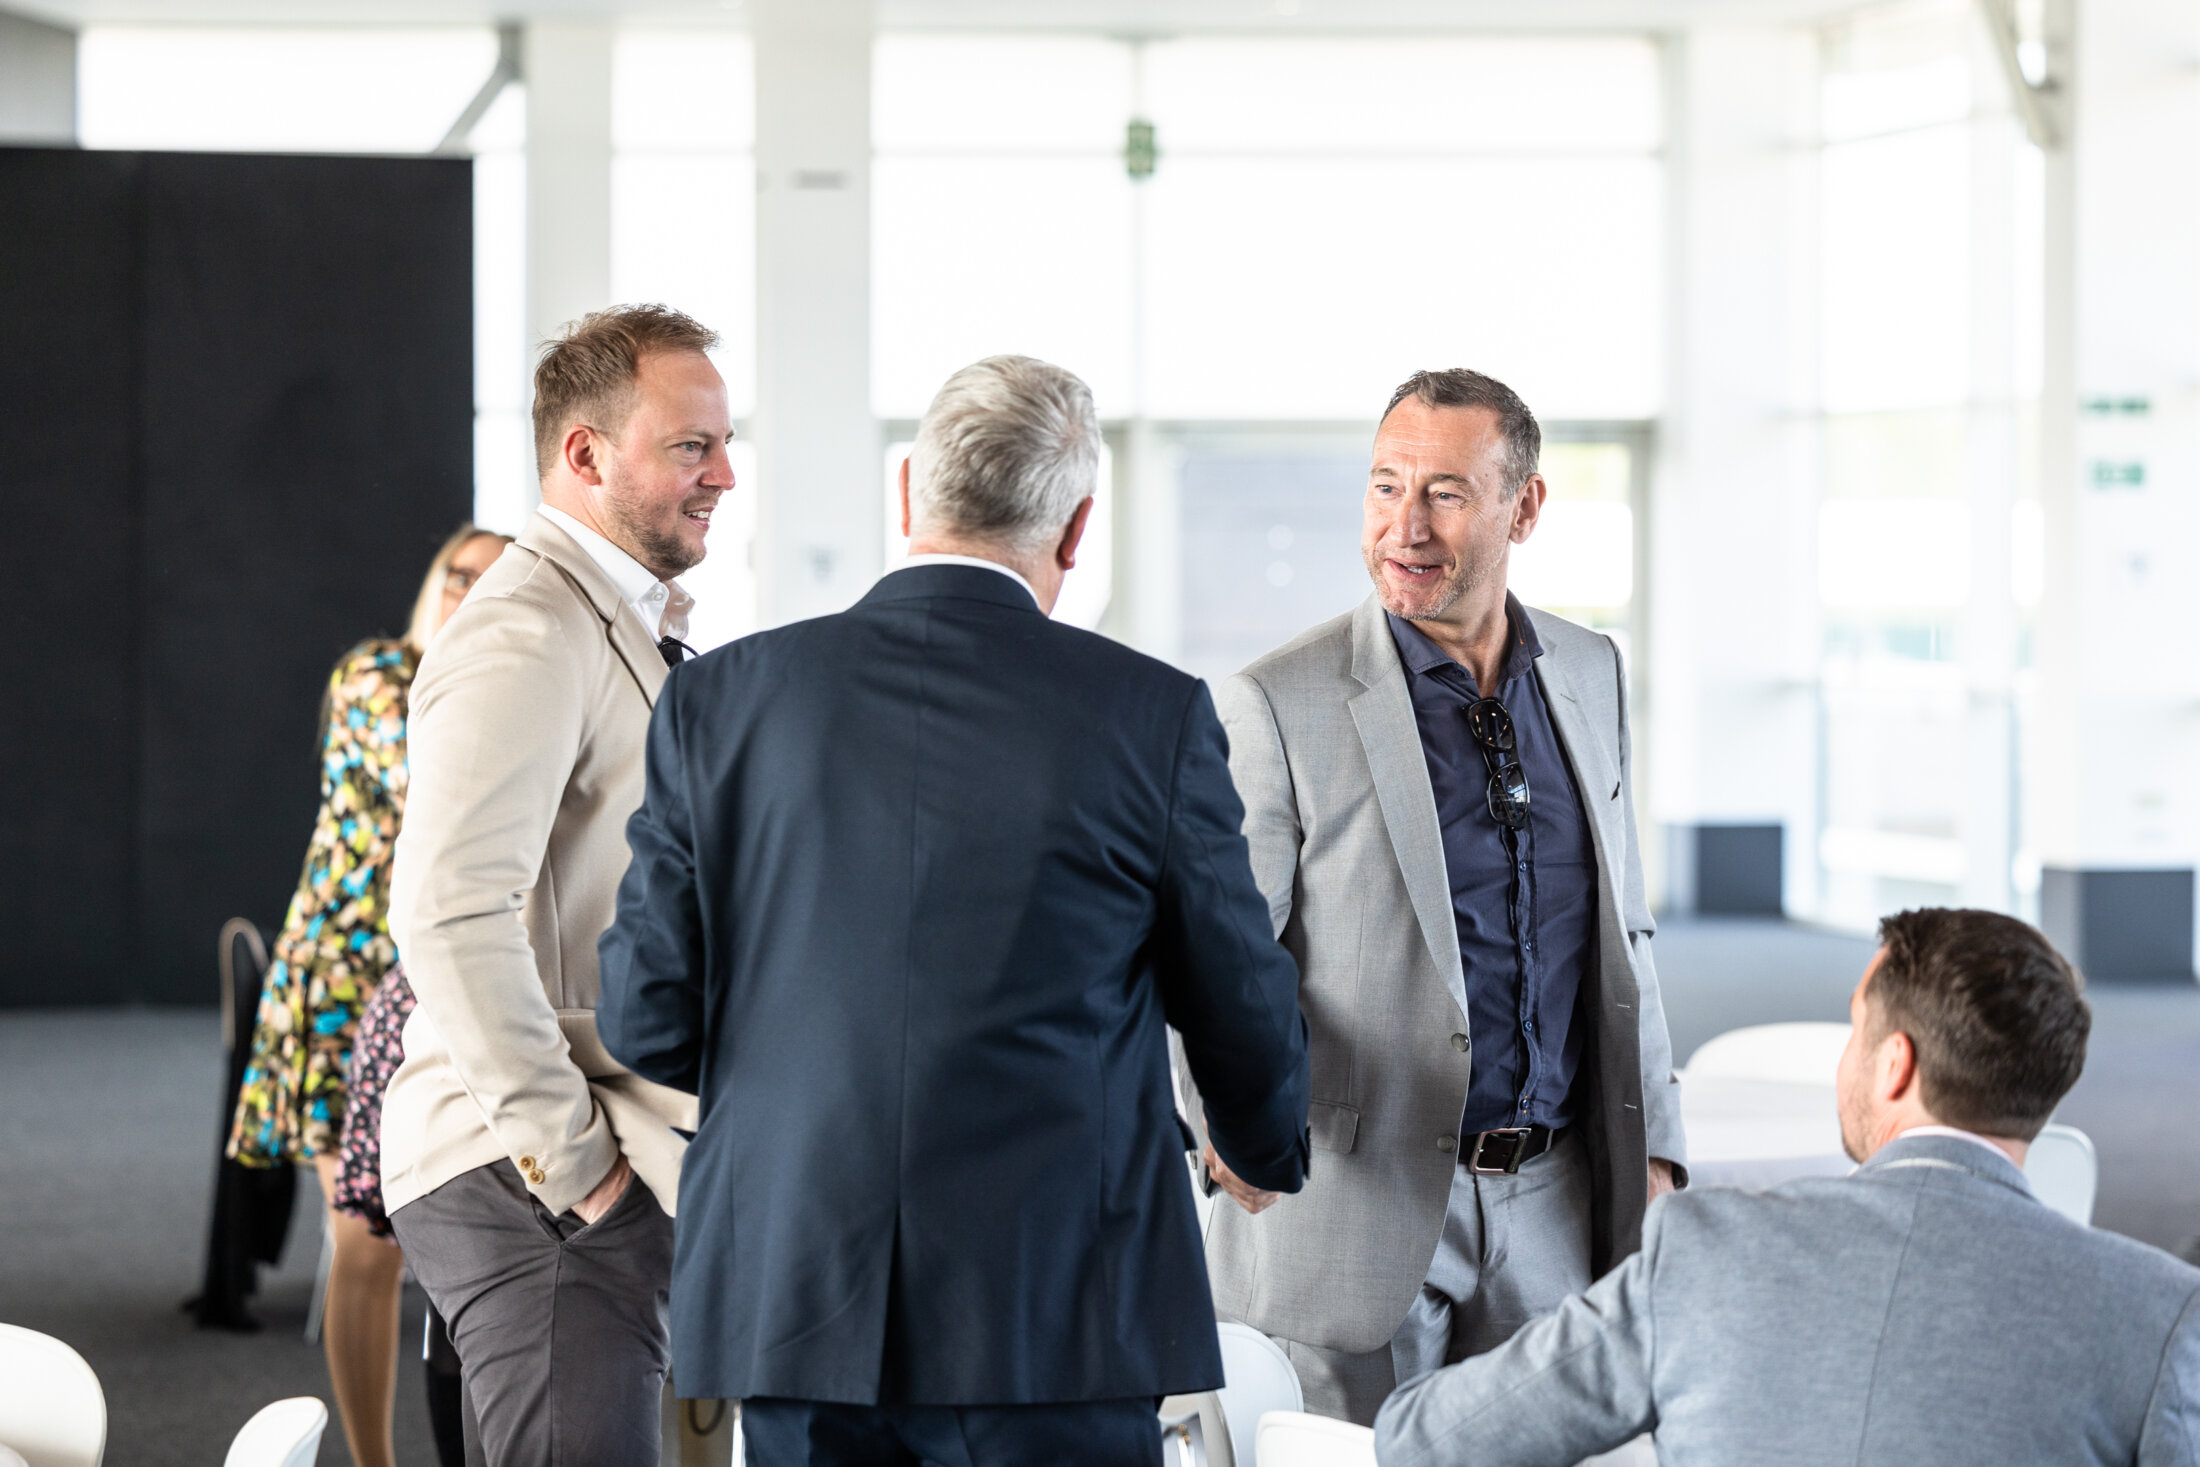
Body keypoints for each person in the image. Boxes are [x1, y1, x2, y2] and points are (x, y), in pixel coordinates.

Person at [596, 354, 1312, 1467]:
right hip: (1055, 1306)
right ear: (1076, 528)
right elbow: (1234, 989)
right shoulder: (1149, 715)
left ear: (907, 494)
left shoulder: (719, 700)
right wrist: (1260, 1143)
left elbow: (645, 1015)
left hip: (797, 1287)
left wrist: (795, 1071)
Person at [1181, 368, 1686, 1425]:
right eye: (1385, 486)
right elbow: (1217, 953)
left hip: (1552, 1202)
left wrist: (1656, 1146)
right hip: (1351, 1204)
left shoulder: (1589, 670)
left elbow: (1625, 932)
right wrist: (1226, 1115)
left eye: (1445, 493)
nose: (1403, 526)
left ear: (1524, 507)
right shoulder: (1277, 700)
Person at [1375, 907, 2200, 1467]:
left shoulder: (1704, 1252)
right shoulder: (2158, 1312)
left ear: (1896, 1063)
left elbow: (1431, 1439)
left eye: (1856, 1029)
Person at [381, 304, 733, 1467]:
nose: (725, 475)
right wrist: (582, 1177)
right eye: (691, 447)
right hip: (530, 1173)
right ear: (585, 455)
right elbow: (447, 914)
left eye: (725, 445)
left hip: (573, 1164)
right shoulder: (525, 628)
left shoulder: (608, 618)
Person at [225, 522, 509, 1467]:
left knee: (447, 1228)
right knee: (365, 1241)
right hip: (342, 981)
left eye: (490, 580)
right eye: (456, 573)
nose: (466, 591)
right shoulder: (378, 675)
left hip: (435, 984)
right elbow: (437, 787)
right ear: (432, 581)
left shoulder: (497, 688)